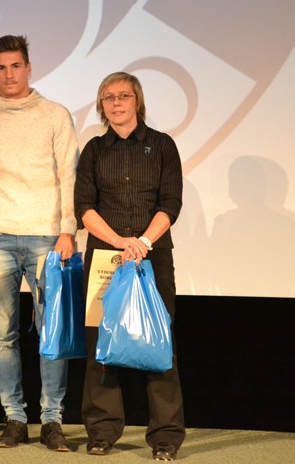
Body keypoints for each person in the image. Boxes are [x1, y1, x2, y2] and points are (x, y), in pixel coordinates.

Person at [0, 35, 78, 451]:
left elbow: (69, 174)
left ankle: (52, 420)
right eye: (1, 67)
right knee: (3, 335)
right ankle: (14, 417)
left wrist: (67, 229)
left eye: (16, 66)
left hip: (47, 237)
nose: (9, 74)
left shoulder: (55, 115)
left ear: (29, 68)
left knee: (51, 332)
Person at [75, 71, 185, 461]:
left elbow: (171, 203)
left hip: (153, 257)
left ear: (137, 101)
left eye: (123, 95)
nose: (116, 102)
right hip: (106, 258)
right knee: (101, 347)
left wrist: (143, 243)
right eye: (108, 97)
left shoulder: (162, 145)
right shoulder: (93, 150)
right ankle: (102, 431)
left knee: (159, 344)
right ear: (101, 106)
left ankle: (166, 437)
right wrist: (121, 242)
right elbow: (83, 207)